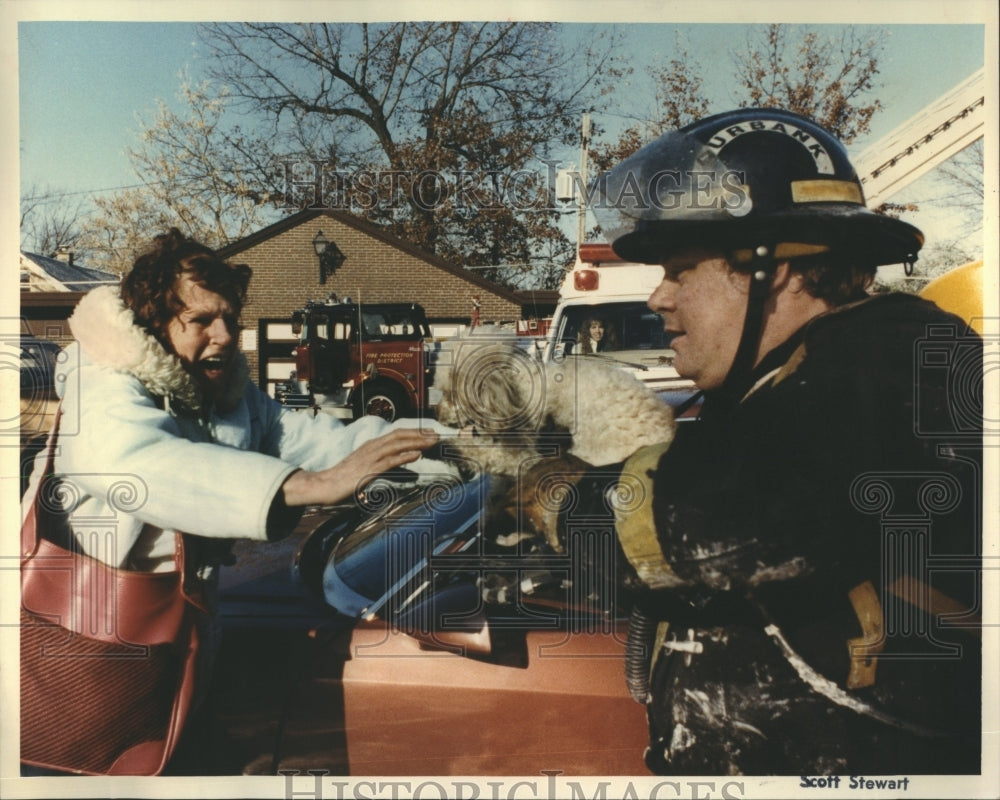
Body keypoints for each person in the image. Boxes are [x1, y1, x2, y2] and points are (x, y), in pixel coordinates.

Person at [557, 108, 983, 775]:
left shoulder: (899, 359)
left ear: (774, 267)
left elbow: (726, 512)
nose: (660, 298)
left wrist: (557, 498)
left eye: (682, 269)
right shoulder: (790, 379)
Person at [22, 228, 453, 771]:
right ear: (155, 323)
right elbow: (136, 461)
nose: (225, 335)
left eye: (231, 319)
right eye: (202, 321)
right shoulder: (105, 380)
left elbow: (316, 440)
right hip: (70, 644)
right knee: (70, 765)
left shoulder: (226, 396)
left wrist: (456, 445)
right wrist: (309, 486)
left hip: (167, 639)